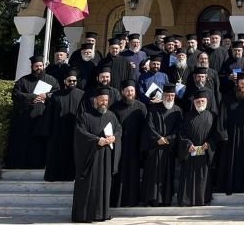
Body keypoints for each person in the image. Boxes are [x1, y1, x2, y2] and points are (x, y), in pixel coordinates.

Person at [71, 86, 121, 223]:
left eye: (106, 100)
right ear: (95, 101)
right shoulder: (85, 115)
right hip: (90, 158)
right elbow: (80, 132)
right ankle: (85, 215)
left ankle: (102, 214)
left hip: (106, 158)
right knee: (89, 186)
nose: (104, 103)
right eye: (101, 100)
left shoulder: (111, 116)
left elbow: (118, 129)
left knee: (104, 186)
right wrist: (97, 140)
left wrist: (114, 137)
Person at [6, 55, 59, 169]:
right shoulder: (23, 80)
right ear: (32, 67)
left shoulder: (51, 80)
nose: (39, 68)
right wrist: (32, 97)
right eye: (36, 66)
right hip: (26, 119)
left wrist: (46, 96)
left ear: (43, 66)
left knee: (40, 143)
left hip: (43, 118)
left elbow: (58, 94)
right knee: (25, 143)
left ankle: (41, 165)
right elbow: (16, 94)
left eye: (40, 65)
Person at [178, 89, 220, 206]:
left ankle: (202, 200)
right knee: (188, 177)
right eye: (198, 101)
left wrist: (209, 144)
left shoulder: (213, 116)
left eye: (202, 101)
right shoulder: (187, 116)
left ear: (206, 101)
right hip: (191, 154)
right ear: (194, 102)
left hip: (204, 154)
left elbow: (216, 134)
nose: (200, 103)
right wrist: (188, 144)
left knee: (203, 179)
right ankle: (187, 201)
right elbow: (181, 134)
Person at [142, 84, 182, 206]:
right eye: (167, 95)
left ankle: (166, 199)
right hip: (155, 148)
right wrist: (157, 138)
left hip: (168, 149)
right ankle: (152, 200)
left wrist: (168, 139)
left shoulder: (177, 110)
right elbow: (149, 126)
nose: (170, 97)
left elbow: (179, 129)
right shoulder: (153, 109)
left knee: (167, 175)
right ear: (163, 95)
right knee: (153, 175)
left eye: (172, 95)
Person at [109, 79, 147, 207]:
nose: (130, 93)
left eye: (132, 91)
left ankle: (132, 200)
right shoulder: (115, 108)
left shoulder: (141, 107)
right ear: (122, 92)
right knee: (118, 174)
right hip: (119, 147)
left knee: (133, 174)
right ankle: (117, 201)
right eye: (127, 91)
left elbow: (145, 128)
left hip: (135, 147)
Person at [216, 71, 244, 194]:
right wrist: (223, 134)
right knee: (229, 161)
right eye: (241, 83)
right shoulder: (227, 98)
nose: (243, 86)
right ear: (237, 83)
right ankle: (228, 186)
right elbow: (221, 117)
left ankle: (242, 186)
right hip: (230, 137)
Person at [43, 68, 84, 181]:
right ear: (65, 81)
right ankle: (55, 176)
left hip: (74, 132)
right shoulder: (56, 96)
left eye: (74, 81)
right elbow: (49, 115)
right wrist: (48, 131)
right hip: (58, 132)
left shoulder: (82, 95)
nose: (72, 83)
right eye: (70, 80)